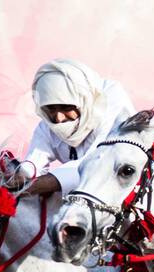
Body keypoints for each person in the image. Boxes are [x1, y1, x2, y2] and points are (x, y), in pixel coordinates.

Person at [21, 59, 135, 197]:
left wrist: (37, 185)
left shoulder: (112, 107)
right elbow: (32, 165)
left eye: (65, 107)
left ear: (84, 100)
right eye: (51, 108)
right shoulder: (48, 122)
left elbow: (96, 164)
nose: (59, 118)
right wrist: (16, 177)